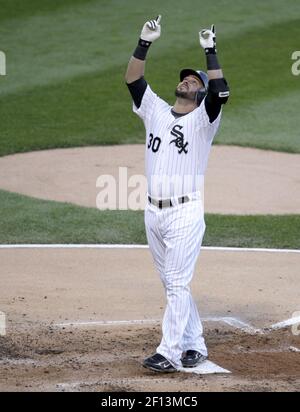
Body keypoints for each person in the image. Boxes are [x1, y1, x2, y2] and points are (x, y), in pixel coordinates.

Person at [125, 15, 230, 372]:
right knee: (173, 283)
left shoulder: (204, 120)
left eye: (195, 79)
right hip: (153, 212)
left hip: (186, 212)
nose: (188, 79)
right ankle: (194, 344)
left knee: (177, 284)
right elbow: (133, 80)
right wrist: (144, 42)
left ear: (200, 93)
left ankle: (168, 352)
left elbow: (222, 92)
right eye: (186, 76)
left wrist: (210, 53)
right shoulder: (154, 109)